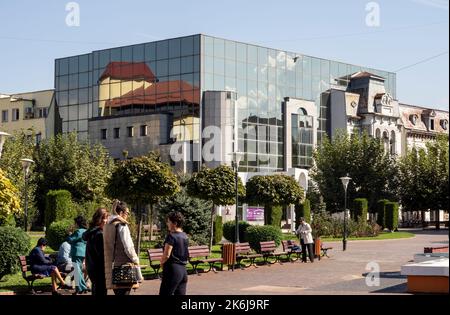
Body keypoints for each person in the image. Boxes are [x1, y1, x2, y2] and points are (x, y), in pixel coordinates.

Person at [103, 200, 143, 295]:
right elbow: (128, 247)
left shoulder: (107, 225)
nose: (128, 215)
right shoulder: (122, 225)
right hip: (123, 267)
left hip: (110, 267)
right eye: (127, 213)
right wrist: (136, 260)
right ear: (121, 213)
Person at [159, 211, 189, 296]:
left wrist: (161, 263)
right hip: (183, 271)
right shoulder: (185, 236)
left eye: (169, 221)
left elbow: (167, 254)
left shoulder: (171, 236)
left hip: (172, 270)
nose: (167, 223)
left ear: (174, 223)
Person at [83, 207, 109, 296]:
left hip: (91, 268)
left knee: (96, 290)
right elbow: (102, 255)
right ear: (99, 219)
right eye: (104, 218)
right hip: (99, 269)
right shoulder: (99, 234)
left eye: (107, 218)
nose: (106, 221)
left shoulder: (91, 232)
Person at [67, 215, 88, 294]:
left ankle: (82, 287)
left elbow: (70, 240)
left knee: (77, 270)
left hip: (77, 253)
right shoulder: (86, 231)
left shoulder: (79, 231)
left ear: (77, 223)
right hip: (83, 252)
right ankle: (80, 288)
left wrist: (69, 234)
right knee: (78, 271)